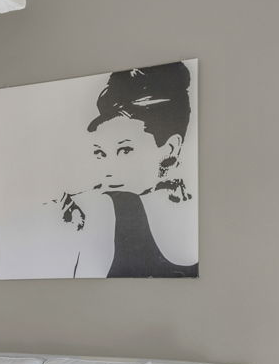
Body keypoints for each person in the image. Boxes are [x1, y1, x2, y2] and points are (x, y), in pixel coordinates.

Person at [56, 63, 198, 277]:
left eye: (125, 150)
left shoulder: (196, 211)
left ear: (170, 148)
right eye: (101, 154)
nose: (108, 171)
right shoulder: (95, 209)